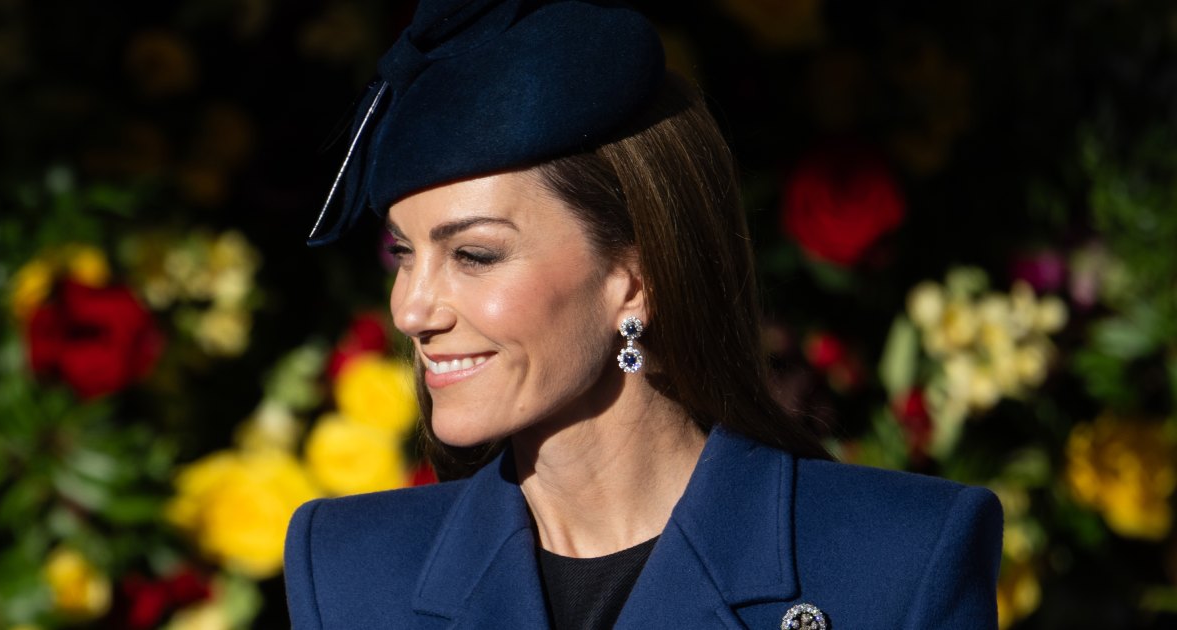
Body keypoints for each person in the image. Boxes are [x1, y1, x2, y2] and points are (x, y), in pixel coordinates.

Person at [284, 1, 1003, 628]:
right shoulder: (350, 571)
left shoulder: (900, 558)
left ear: (636, 278)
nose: (409, 309)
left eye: (473, 255)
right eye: (404, 254)